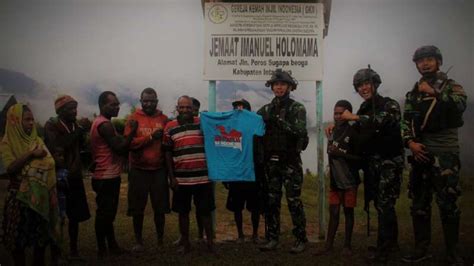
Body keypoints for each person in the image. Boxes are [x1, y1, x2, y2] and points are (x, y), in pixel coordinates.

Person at [327, 67, 404, 263]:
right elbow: (353, 132)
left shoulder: (389, 104)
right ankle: (386, 245)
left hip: (389, 162)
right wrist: (334, 126)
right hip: (371, 164)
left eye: (367, 83)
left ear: (375, 84)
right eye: (360, 85)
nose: (364, 88)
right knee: (379, 204)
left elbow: (384, 121)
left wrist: (354, 117)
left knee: (386, 204)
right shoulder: (363, 109)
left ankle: (386, 248)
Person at [401, 45, 467, 265]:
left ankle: (452, 250)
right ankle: (422, 248)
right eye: (420, 61)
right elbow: (406, 121)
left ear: (438, 61)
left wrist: (436, 93)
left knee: (448, 204)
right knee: (419, 204)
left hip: (445, 153)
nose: (425, 64)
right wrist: (410, 143)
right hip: (421, 154)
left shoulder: (452, 86)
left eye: (429, 59)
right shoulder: (413, 92)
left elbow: (459, 106)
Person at [257, 69, 309, 253]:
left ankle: (301, 239)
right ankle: (272, 238)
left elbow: (301, 132)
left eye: (283, 84)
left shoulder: (297, 108)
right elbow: (252, 126)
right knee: (272, 201)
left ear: (289, 87)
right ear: (272, 87)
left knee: (293, 201)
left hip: (290, 162)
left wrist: (279, 121)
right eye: (276, 84)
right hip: (271, 162)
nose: (279, 87)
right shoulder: (265, 109)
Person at [0, 103, 59, 266]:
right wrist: (31, 154)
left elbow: (50, 163)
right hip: (19, 199)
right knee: (17, 242)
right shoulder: (7, 143)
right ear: (15, 121)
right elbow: (10, 168)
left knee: (40, 240)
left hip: (39, 198)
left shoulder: (37, 139)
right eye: (27, 120)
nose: (31, 123)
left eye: (32, 120)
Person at [163, 95, 215, 254]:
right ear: (177, 108)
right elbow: (167, 153)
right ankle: (185, 244)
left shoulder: (203, 123)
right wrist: (171, 178)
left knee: (205, 212)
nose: (185, 110)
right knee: (183, 213)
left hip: (203, 178)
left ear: (194, 109)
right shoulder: (170, 127)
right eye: (182, 107)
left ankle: (210, 244)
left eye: (188, 107)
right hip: (181, 179)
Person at [90, 91, 138, 258]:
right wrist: (132, 132)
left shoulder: (101, 122)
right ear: (103, 105)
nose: (117, 107)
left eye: (118, 104)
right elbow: (120, 147)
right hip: (106, 176)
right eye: (113, 104)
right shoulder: (105, 125)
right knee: (104, 214)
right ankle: (102, 249)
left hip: (107, 175)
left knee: (107, 214)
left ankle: (112, 246)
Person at [44, 95, 91, 260]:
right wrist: (79, 131)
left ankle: (73, 250)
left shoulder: (74, 125)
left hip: (75, 175)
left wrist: (83, 133)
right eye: (70, 108)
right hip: (58, 176)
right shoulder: (51, 125)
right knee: (58, 216)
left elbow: (82, 148)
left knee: (75, 216)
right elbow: (58, 145)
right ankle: (55, 253)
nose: (74, 111)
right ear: (60, 111)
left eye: (75, 108)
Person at [124, 88, 170, 252]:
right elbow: (128, 144)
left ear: (156, 101)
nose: (148, 103)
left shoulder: (164, 119)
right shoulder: (133, 118)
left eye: (152, 101)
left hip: (158, 170)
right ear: (141, 101)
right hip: (138, 170)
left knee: (160, 208)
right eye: (145, 101)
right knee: (137, 208)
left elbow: (168, 144)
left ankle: (160, 240)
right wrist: (150, 137)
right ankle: (138, 241)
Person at [316, 100, 360, 256]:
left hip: (350, 180)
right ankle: (328, 245)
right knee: (333, 212)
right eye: (335, 113)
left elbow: (360, 158)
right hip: (335, 181)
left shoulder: (354, 132)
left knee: (348, 212)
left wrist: (341, 153)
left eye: (341, 113)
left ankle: (347, 245)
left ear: (348, 113)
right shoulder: (332, 130)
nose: (338, 116)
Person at [222, 99, 262, 243]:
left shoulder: (256, 128)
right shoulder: (229, 130)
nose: (239, 112)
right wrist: (225, 176)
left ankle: (255, 234)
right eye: (236, 109)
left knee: (255, 207)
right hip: (236, 175)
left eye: (242, 109)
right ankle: (240, 235)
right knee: (237, 207)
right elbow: (224, 153)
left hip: (253, 174)